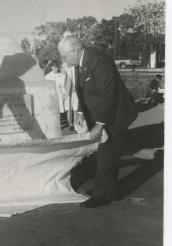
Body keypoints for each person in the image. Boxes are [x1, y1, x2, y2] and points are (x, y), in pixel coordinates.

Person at [58, 36, 137, 208]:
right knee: (106, 153)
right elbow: (84, 90)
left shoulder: (99, 61)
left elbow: (109, 94)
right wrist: (80, 111)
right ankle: (108, 189)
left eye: (64, 56)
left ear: (75, 50)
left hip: (116, 115)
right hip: (106, 113)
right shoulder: (81, 61)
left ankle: (103, 196)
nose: (63, 60)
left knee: (107, 153)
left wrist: (99, 125)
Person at [45, 62, 68, 129]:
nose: (56, 68)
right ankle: (55, 124)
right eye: (55, 67)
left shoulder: (59, 75)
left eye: (57, 67)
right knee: (54, 109)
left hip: (59, 94)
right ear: (51, 67)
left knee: (60, 108)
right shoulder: (48, 76)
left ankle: (60, 122)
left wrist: (64, 93)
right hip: (53, 95)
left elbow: (62, 85)